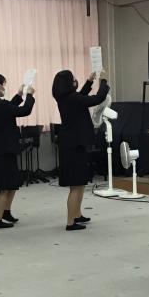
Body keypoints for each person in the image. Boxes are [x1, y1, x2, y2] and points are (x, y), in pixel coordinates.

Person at [52, 69, 109, 231]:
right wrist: (103, 81)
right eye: (73, 79)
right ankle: (71, 222)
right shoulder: (72, 99)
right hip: (74, 145)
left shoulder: (66, 98)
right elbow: (97, 98)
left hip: (73, 143)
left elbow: (81, 96)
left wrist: (89, 81)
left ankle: (77, 214)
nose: (75, 80)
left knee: (79, 183)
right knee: (76, 186)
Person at [0, 73, 36, 229]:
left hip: (4, 148)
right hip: (2, 150)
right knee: (4, 187)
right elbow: (24, 111)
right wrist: (29, 96)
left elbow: (9, 109)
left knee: (12, 184)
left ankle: (6, 212)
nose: (5, 87)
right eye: (4, 85)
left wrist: (19, 95)